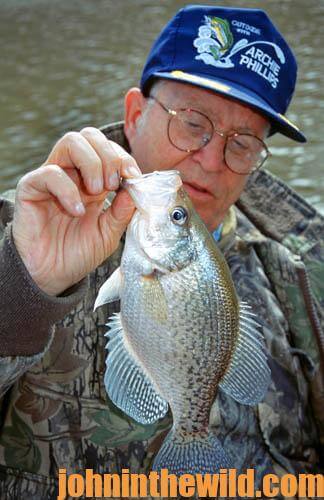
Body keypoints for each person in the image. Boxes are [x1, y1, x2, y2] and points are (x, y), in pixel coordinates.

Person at [0, 4, 323, 498]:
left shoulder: (300, 267)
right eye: (194, 123)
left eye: (242, 143)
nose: (212, 160)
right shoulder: (21, 230)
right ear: (135, 115)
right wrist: (23, 287)